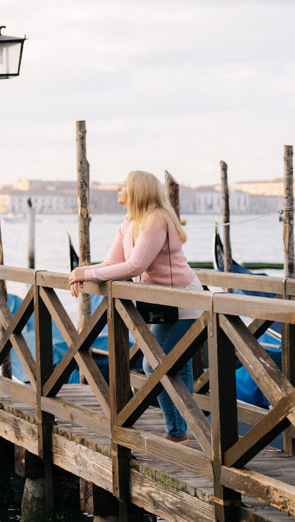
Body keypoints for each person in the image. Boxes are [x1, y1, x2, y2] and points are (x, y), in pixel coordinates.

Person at [68, 170, 201, 444]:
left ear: (138, 190)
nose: (118, 187)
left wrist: (86, 275)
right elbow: (109, 265)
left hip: (184, 300)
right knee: (177, 366)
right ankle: (184, 432)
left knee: (154, 366)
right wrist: (81, 270)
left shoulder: (155, 219)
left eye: (124, 184)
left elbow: (135, 266)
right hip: (163, 302)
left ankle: (180, 432)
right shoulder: (129, 223)